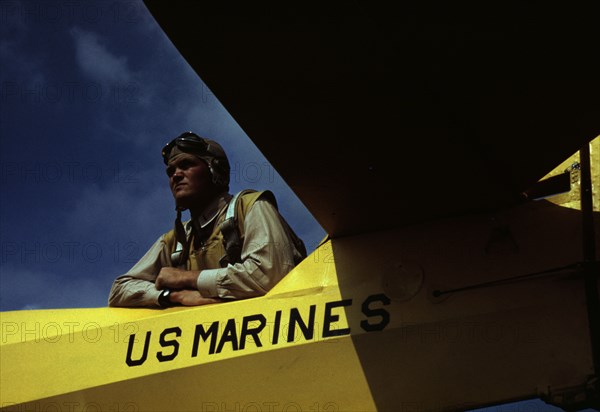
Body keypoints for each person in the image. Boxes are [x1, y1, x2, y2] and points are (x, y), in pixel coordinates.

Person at [108, 131, 306, 308]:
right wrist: (171, 296)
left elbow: (268, 274)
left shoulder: (251, 206)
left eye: (186, 165)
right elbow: (119, 290)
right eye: (171, 171)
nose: (176, 175)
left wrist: (189, 278)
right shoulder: (176, 240)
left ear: (215, 170)